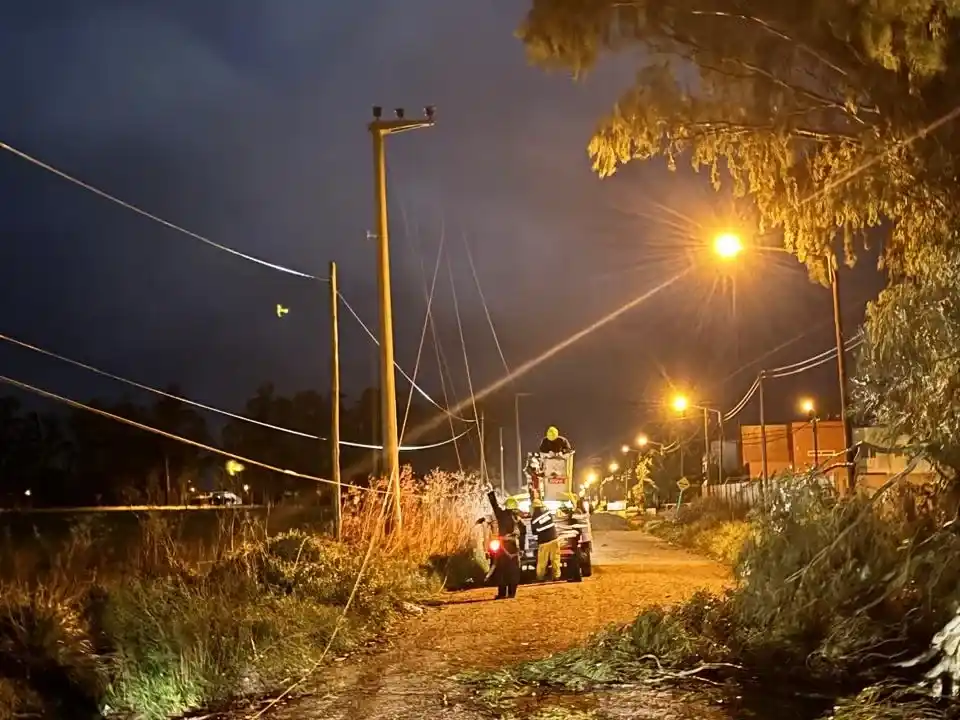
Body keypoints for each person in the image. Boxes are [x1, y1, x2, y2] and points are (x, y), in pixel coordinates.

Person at [486, 487, 524, 599]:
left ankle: (502, 593)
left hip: (503, 548)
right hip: (514, 548)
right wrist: (521, 549)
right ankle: (512, 593)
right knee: (514, 570)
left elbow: (495, 506)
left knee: (502, 569)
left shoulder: (502, 515)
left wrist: (490, 492)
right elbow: (523, 533)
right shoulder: (518, 519)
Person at [531, 498, 561, 581]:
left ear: (533, 508)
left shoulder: (533, 519)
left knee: (542, 562)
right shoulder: (548, 513)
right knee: (555, 559)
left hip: (544, 542)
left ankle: (540, 577)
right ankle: (557, 576)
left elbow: (534, 533)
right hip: (554, 539)